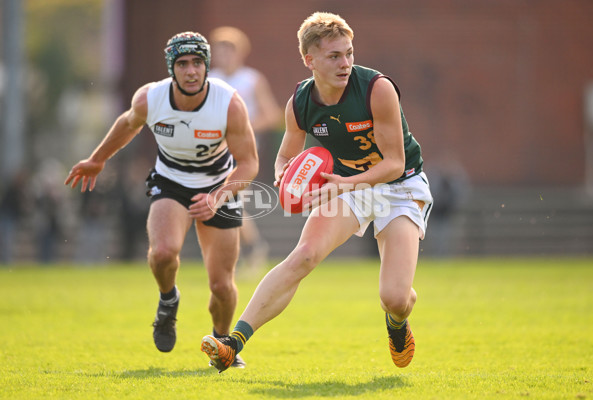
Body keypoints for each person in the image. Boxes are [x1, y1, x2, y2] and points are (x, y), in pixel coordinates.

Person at [200, 12, 433, 372]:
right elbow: (285, 154)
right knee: (304, 256)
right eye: (334, 56)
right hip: (347, 186)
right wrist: (284, 176)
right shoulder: (300, 102)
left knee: (395, 298)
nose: (345, 63)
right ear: (309, 60)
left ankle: (397, 322)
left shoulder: (376, 88)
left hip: (399, 187)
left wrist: (344, 183)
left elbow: (393, 164)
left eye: (349, 53)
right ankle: (233, 342)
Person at [65, 32, 258, 367]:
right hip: (171, 183)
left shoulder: (228, 103)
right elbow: (128, 124)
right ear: (172, 68)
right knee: (163, 254)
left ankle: (222, 345)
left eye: (198, 62)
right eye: (182, 64)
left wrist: (218, 195)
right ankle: (168, 302)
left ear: (206, 65)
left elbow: (249, 163)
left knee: (222, 286)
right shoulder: (150, 98)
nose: (191, 71)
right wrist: (97, 159)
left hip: (219, 186)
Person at [209, 26, 282, 272]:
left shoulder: (252, 79)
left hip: (241, 148)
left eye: (229, 50)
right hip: (213, 147)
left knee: (229, 197)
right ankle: (249, 248)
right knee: (228, 200)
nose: (224, 56)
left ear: (240, 52)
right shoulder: (210, 79)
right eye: (219, 51)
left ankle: (247, 249)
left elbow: (272, 114)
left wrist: (243, 127)